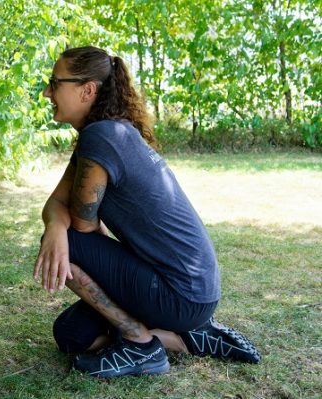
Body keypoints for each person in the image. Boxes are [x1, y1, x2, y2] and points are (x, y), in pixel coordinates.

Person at [33, 46, 261, 378]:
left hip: (181, 293)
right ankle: (189, 337)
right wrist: (55, 227)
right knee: (71, 334)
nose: (47, 92)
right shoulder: (106, 132)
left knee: (72, 243)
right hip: (192, 294)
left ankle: (140, 343)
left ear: (87, 90)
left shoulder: (101, 136)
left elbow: (82, 227)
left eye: (55, 83)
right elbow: (56, 204)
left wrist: (59, 230)